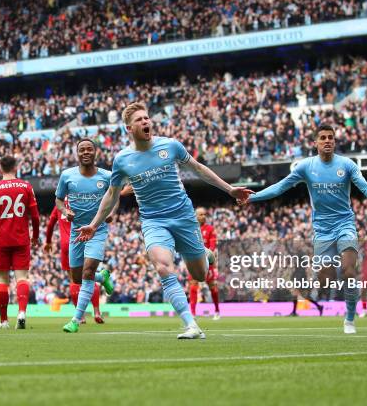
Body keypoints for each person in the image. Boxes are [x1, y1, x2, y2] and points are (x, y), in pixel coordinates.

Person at [74, 102, 252, 339]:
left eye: (146, 118)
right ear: (129, 128)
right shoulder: (123, 160)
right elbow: (111, 194)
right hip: (153, 221)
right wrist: (94, 224)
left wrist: (230, 190)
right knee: (162, 266)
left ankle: (205, 254)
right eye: (139, 120)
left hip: (183, 216)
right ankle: (191, 325)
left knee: (199, 275)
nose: (146, 122)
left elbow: (198, 169)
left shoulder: (170, 145)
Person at [240, 124, 367, 334]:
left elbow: (366, 188)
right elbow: (280, 187)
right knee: (325, 277)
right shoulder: (305, 167)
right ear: (315, 143)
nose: (327, 141)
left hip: (345, 224)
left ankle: (350, 320)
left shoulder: (347, 165)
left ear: (334, 142)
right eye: (323, 138)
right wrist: (253, 198)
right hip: (322, 229)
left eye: (331, 138)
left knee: (349, 270)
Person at [55, 138, 115, 333]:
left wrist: (111, 213)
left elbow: (114, 197)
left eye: (90, 149)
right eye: (82, 150)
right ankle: (102, 276)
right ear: (77, 154)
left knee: (87, 271)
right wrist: (65, 212)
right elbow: (58, 200)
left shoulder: (106, 176)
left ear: (95, 152)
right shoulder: (67, 176)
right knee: (77, 277)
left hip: (97, 230)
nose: (86, 152)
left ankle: (76, 319)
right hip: (76, 231)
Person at [0, 156, 40, 330]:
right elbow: (35, 216)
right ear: (16, 167)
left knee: (2, 280)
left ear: (0, 168)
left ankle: (4, 321)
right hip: (21, 238)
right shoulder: (26, 186)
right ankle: (21, 313)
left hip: (1, 240)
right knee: (22, 278)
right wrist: (35, 235)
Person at [45, 198, 105, 324]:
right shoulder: (80, 202)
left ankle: (81, 316)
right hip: (83, 239)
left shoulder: (59, 206)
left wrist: (48, 241)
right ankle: (97, 311)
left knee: (74, 280)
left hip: (67, 245)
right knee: (89, 275)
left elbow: (50, 224)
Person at [188, 207, 221, 319]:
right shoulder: (190, 228)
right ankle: (192, 313)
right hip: (193, 262)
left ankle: (217, 311)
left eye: (204, 214)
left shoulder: (210, 229)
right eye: (201, 214)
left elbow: (212, 246)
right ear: (196, 216)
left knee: (212, 286)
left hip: (206, 260)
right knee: (193, 285)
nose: (203, 216)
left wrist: (206, 257)